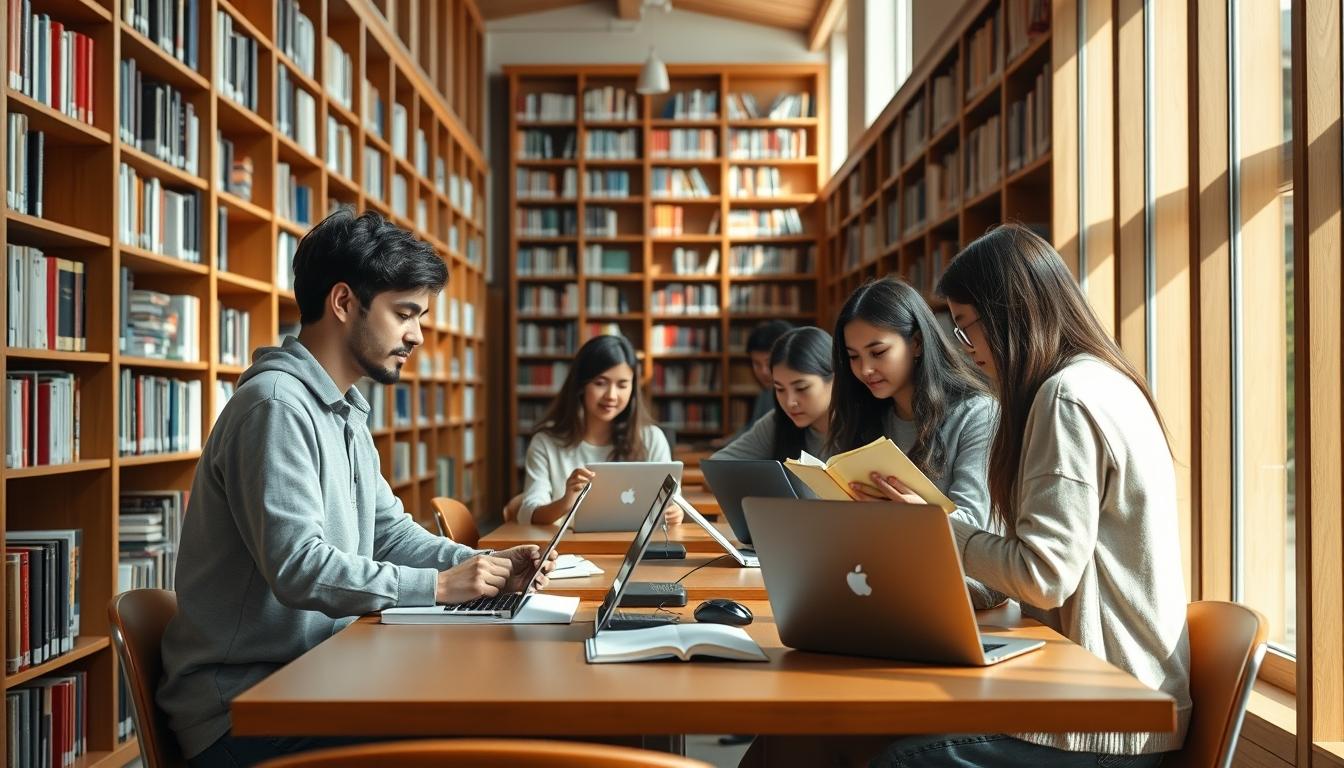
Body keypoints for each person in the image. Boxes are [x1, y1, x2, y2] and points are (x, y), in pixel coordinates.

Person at [158, 208, 554, 768]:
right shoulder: (275, 407)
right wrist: (438, 586)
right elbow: (299, 565)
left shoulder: (343, 412)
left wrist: (484, 565)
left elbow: (389, 534)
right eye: (405, 314)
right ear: (344, 303)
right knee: (473, 736)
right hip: (247, 711)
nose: (417, 335)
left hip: (320, 676)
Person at [864, 222, 1187, 766]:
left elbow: (1044, 576)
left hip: (1104, 718)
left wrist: (934, 524)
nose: (966, 350)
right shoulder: (1103, 380)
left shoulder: (1066, 398)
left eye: (967, 328)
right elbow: (1058, 564)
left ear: (1008, 316)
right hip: (1109, 695)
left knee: (895, 757)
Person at [827, 276, 995, 530]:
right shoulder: (865, 417)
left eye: (878, 352)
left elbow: (975, 526)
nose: (865, 369)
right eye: (853, 357)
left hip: (951, 568)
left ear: (916, 343)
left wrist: (912, 513)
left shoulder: (977, 414)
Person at [518, 334, 683, 526]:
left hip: (634, 549)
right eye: (600, 383)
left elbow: (674, 502)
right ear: (581, 385)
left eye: (622, 385)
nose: (611, 395)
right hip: (567, 552)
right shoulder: (546, 443)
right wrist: (565, 502)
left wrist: (675, 513)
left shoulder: (652, 438)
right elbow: (528, 514)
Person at [711, 326, 834, 462]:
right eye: (780, 389)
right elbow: (717, 464)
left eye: (801, 388)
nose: (789, 402)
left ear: (835, 379)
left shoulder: (861, 426)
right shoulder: (777, 423)